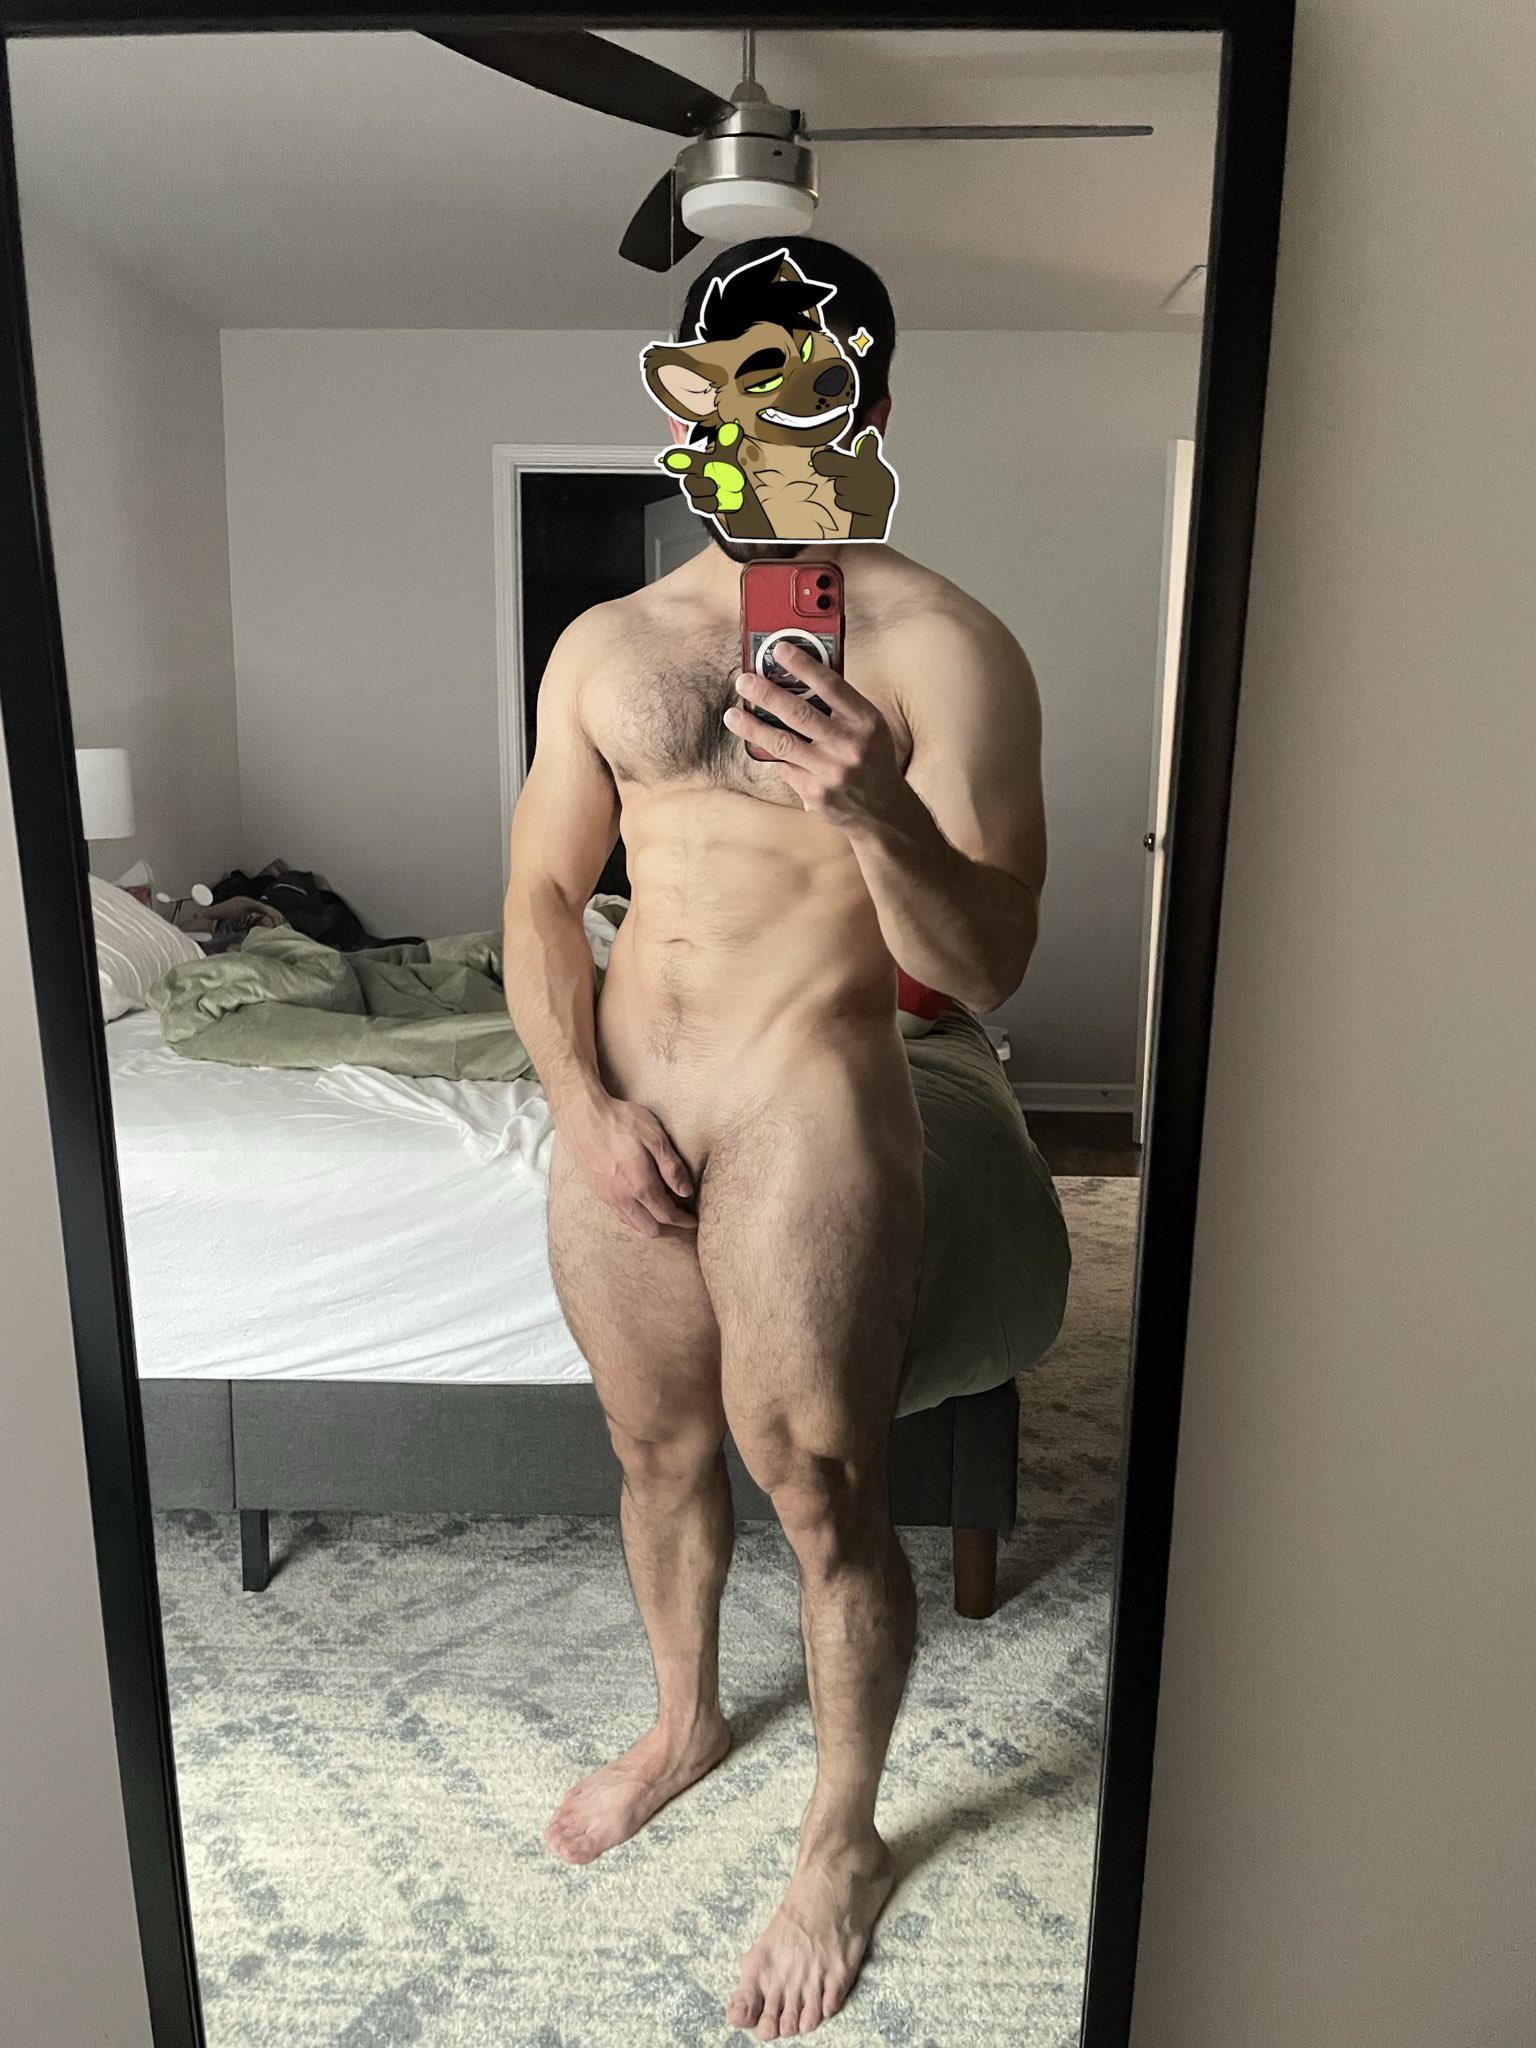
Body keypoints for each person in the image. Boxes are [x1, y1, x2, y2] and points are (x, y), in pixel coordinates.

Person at [503, 237, 1047, 2041]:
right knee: (654, 1454)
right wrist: (580, 1102)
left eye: (810, 390)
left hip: (813, 1092)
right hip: (629, 1097)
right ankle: (685, 1722)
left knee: (819, 1480)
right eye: (732, 385)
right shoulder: (606, 647)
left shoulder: (948, 645)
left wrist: (877, 808)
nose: (767, 425)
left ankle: (841, 1837)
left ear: (868, 408)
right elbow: (540, 895)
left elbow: (986, 962)